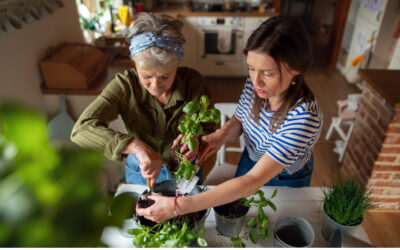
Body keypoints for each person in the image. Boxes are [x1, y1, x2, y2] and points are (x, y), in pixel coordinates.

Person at [136, 16, 323, 222]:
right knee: (243, 214)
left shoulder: (304, 118)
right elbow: (238, 121)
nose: (255, 80)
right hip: (250, 160)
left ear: (296, 70)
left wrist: (177, 206)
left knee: (273, 222)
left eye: (267, 73)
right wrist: (218, 136)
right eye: (251, 68)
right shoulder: (257, 86)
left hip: (285, 178)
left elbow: (253, 181)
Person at [71, 13, 211, 187]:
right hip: (141, 173)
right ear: (134, 64)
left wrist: (198, 139)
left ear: (177, 65)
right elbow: (82, 129)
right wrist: (134, 145)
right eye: (147, 76)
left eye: (166, 76)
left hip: (186, 170)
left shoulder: (194, 82)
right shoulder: (124, 85)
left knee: (191, 213)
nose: (156, 86)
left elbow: (208, 127)